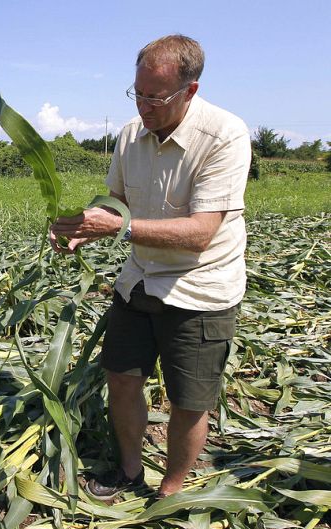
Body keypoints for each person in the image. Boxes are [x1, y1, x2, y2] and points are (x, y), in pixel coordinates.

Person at [48, 34, 251, 500]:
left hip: (200, 287)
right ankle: (129, 470)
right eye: (137, 93)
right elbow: (117, 203)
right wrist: (85, 227)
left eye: (155, 97)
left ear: (190, 91)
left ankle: (171, 489)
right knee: (120, 377)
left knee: (188, 401)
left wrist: (116, 229)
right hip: (139, 279)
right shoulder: (128, 135)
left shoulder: (224, 136)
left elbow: (201, 232)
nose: (144, 106)